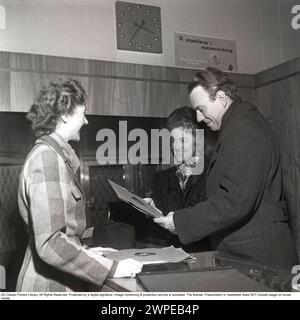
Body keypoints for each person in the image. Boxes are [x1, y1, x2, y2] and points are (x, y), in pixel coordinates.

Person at [153, 67, 297, 270]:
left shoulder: (242, 128)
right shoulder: (239, 124)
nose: (200, 118)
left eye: (201, 109)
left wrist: (181, 221)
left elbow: (234, 201)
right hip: (251, 252)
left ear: (221, 98)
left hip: (259, 258)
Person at [17, 79, 142, 292]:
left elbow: (59, 235)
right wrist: (110, 269)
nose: (86, 121)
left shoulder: (56, 157)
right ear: (65, 115)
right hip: (49, 286)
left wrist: (87, 253)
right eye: (82, 113)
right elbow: (50, 242)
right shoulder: (47, 159)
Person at [144, 106, 211, 251]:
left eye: (182, 140)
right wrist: (153, 208)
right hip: (174, 259)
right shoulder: (163, 178)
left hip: (204, 258)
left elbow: (214, 218)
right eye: (173, 140)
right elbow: (160, 230)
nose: (176, 147)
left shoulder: (213, 171)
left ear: (198, 141)